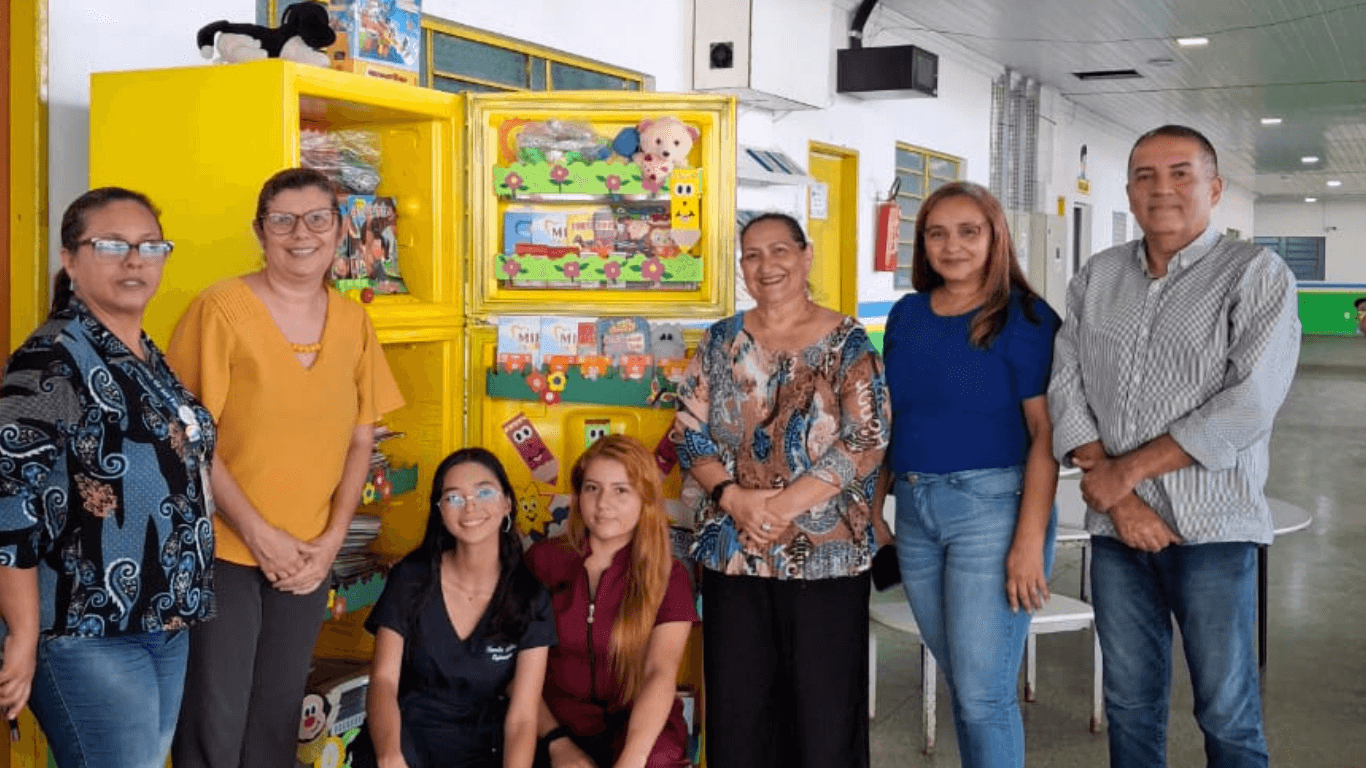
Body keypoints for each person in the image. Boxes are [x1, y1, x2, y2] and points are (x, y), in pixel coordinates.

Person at [1048, 125, 1300, 768]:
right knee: (1129, 702)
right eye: (1145, 175)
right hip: (1117, 535)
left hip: (1214, 530)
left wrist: (1126, 471)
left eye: (1180, 173)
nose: (1161, 188)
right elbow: (1066, 387)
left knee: (1226, 710)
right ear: (1129, 192)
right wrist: (1118, 497)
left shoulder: (1255, 274)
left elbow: (1250, 402)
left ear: (1214, 188)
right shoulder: (1098, 276)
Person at [168, 167, 405, 768]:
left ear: (340, 228)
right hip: (223, 550)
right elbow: (190, 439)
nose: (302, 234)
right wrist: (258, 535)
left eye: (317, 219)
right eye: (283, 221)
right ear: (260, 231)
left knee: (276, 720)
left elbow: (360, 441)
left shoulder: (352, 322)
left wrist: (330, 543)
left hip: (307, 557)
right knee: (215, 722)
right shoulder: (220, 309)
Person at [0, 188, 216, 768]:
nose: (135, 260)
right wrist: (22, 631)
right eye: (113, 245)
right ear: (70, 260)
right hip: (84, 630)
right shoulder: (51, 359)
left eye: (150, 246)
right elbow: (7, 499)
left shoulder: (141, 352)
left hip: (161, 620)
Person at [671, 213, 890, 768]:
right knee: (739, 715)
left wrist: (781, 507)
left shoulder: (847, 342)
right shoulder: (720, 340)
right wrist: (734, 499)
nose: (765, 265)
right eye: (752, 255)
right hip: (733, 552)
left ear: (806, 255)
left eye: (779, 250)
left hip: (826, 557)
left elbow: (867, 438)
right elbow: (688, 431)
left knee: (824, 718)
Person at [878, 181, 1060, 768]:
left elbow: (1045, 434)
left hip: (993, 512)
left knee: (984, 695)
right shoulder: (907, 315)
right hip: (915, 512)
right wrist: (872, 512)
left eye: (968, 232)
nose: (951, 246)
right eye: (937, 233)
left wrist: (1029, 541)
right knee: (965, 682)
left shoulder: (1026, 317)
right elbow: (891, 421)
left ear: (994, 237)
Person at [362, 448, 554, 768]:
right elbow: (383, 681)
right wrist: (389, 754)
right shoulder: (410, 579)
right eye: (453, 497)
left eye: (484, 492)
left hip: (484, 748)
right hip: (405, 739)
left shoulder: (531, 597)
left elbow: (522, 717)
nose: (470, 506)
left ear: (507, 503)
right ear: (439, 511)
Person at [525, 435, 699, 768]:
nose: (603, 503)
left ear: (645, 498)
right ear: (578, 495)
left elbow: (660, 672)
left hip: (640, 727)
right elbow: (515, 670)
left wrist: (633, 758)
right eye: (592, 488)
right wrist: (556, 743)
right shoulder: (543, 561)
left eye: (621, 490)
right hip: (553, 725)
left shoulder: (668, 573)